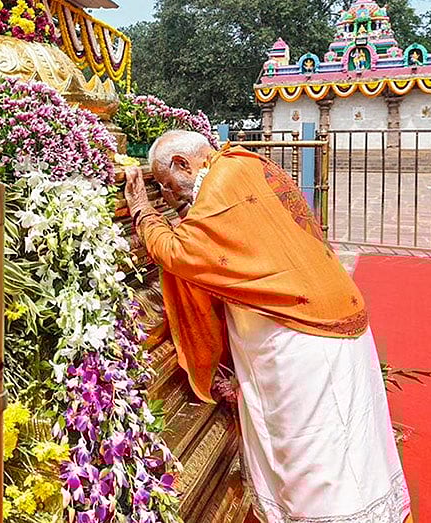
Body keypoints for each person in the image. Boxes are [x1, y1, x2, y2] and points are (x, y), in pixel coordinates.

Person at [123, 130, 411, 523]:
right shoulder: (246, 164)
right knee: (351, 446)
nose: (171, 198)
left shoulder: (221, 185)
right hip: (330, 320)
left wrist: (142, 208)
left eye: (167, 186)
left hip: (302, 339)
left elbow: (179, 251)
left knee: (317, 458)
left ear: (182, 164)